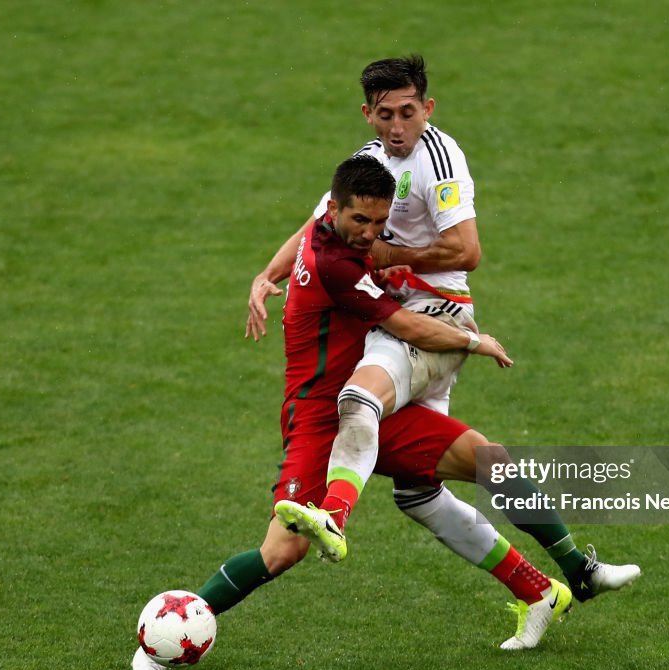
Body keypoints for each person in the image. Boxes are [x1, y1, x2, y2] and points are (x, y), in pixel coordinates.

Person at [131, 157, 567, 670]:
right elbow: (409, 325)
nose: (370, 234)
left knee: (487, 459)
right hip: (318, 417)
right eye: (360, 222)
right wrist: (474, 341)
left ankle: (545, 588)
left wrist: (268, 275)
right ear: (333, 208)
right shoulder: (334, 265)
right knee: (284, 548)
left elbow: (355, 262)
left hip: (365, 405)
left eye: (380, 224)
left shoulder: (327, 235)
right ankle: (170, 633)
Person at [251, 55, 640, 600]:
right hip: (397, 325)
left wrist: (390, 254)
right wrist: (268, 276)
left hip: (430, 318)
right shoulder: (366, 163)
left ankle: (333, 517)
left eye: (408, 112)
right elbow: (319, 223)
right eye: (386, 114)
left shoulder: (440, 157)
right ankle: (563, 577)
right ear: (368, 114)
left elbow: (467, 250)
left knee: (358, 400)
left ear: (427, 108)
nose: (397, 127)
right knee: (433, 487)